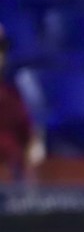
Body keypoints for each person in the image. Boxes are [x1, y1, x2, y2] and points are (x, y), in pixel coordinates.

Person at [0, 24, 42, 180]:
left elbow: (31, 140)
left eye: (1, 48)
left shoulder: (13, 95)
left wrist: (33, 152)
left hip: (13, 183)